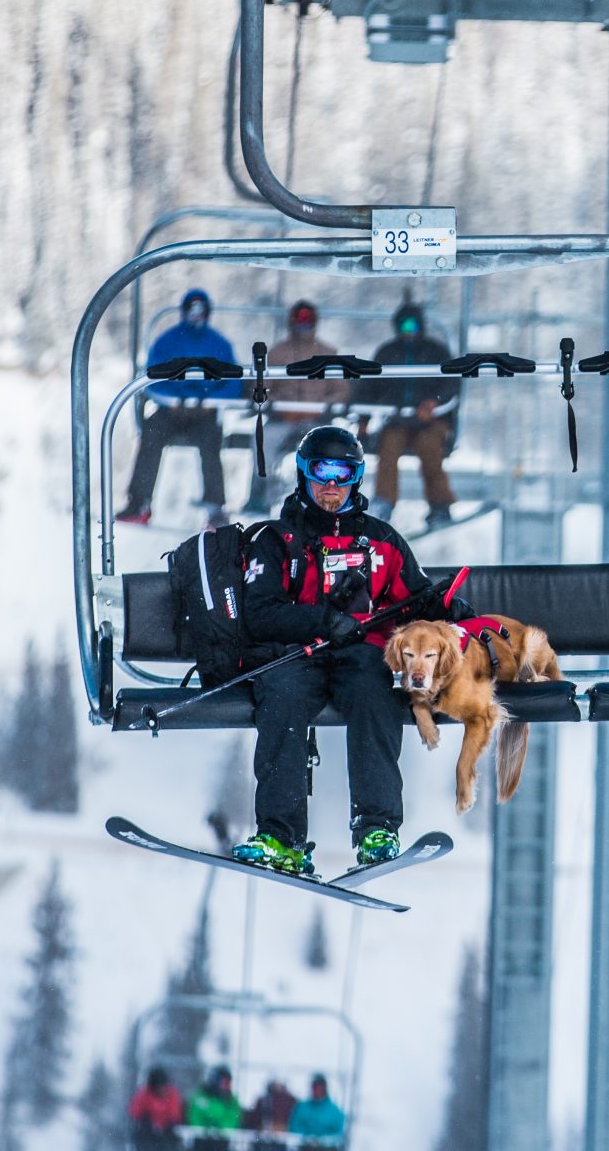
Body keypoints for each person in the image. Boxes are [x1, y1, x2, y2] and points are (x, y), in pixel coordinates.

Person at [231, 424, 474, 875]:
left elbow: (412, 598)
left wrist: (443, 606)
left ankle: (376, 827)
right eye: (322, 472)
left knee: (376, 687)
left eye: (343, 474)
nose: (331, 485)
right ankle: (281, 836)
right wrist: (321, 621)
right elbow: (259, 612)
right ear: (304, 473)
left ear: (357, 477)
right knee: (281, 696)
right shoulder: (277, 540)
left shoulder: (381, 539)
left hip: (360, 656)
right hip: (297, 655)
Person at [119, 288, 239, 526]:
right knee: (151, 433)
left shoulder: (219, 344)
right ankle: (139, 503)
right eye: (191, 310)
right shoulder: (167, 341)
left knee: (212, 439)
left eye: (200, 311)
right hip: (170, 411)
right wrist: (173, 400)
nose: (196, 316)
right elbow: (151, 379)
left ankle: (215, 507)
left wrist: (209, 402)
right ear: (184, 311)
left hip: (204, 412)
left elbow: (234, 383)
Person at [247, 300, 347, 515]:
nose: (304, 325)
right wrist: (276, 407)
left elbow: (341, 390)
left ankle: (332, 498)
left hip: (317, 420)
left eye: (308, 320)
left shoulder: (328, 353)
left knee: (331, 449)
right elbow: (260, 387)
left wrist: (323, 407)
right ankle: (259, 493)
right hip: (283, 419)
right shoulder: (276, 353)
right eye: (299, 320)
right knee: (263, 440)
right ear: (291, 322)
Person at [367, 297, 461, 523]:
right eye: (404, 326)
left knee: (430, 448)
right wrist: (362, 418)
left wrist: (434, 402)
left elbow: (451, 382)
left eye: (414, 326)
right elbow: (369, 386)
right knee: (388, 447)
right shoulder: (388, 353)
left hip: (431, 420)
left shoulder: (436, 352)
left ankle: (439, 504)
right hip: (399, 418)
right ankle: (384, 502)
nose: (409, 331)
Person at [185, 1066, 244, 1151]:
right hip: (200, 1140)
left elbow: (232, 1120)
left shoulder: (231, 1100)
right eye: (224, 1083)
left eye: (228, 1083)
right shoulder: (201, 1096)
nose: (227, 1086)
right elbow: (194, 1116)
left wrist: (219, 1129)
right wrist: (204, 1129)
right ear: (215, 1081)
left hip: (222, 1141)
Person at [127, 1067, 184, 1151]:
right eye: (160, 1086)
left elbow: (175, 1114)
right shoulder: (143, 1095)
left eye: (164, 1086)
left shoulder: (172, 1094)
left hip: (167, 1132)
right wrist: (146, 1121)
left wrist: (168, 1125)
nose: (162, 1089)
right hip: (147, 1132)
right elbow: (134, 1112)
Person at [288, 1074, 347, 1145]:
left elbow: (338, 1133)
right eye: (315, 1087)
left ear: (325, 1088)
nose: (317, 1090)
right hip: (303, 1147)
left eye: (320, 1087)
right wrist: (306, 1139)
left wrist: (322, 1141)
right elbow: (294, 1127)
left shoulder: (335, 1112)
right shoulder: (301, 1107)